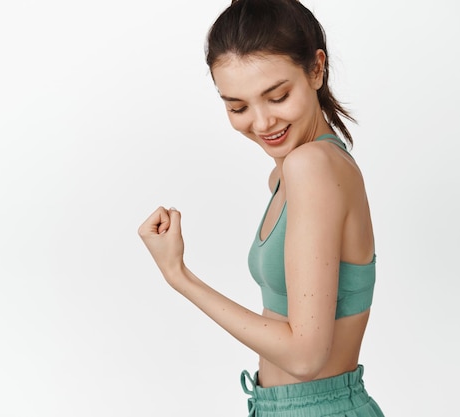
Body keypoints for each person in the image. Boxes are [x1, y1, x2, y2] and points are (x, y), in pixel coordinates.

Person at [138, 0, 385, 415]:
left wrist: (178, 276)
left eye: (277, 96)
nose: (262, 122)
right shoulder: (289, 174)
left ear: (316, 69)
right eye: (237, 107)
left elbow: (306, 357)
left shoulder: (313, 167)